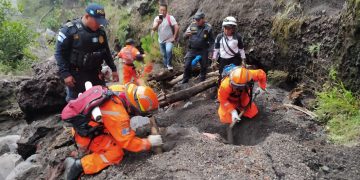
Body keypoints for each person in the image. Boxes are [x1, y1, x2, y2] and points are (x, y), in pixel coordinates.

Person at [64, 83, 162, 180]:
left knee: (121, 134)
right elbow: (128, 143)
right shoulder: (119, 116)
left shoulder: (119, 90)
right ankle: (78, 166)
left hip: (90, 124)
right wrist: (149, 142)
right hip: (87, 136)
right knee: (116, 153)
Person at [55, 3, 119, 102]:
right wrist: (65, 74)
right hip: (76, 76)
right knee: (77, 104)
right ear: (87, 16)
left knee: (103, 100)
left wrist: (113, 69)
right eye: (97, 21)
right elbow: (59, 53)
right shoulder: (69, 30)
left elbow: (105, 51)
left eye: (100, 22)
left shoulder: (100, 32)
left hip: (96, 74)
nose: (99, 24)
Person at [213, 16, 247, 86]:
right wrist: (214, 61)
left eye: (229, 28)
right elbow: (216, 50)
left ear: (233, 28)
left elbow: (241, 49)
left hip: (234, 60)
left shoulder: (238, 37)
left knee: (235, 77)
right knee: (222, 77)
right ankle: (221, 91)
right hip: (223, 61)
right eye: (225, 28)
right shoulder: (219, 37)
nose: (226, 30)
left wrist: (243, 60)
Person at [182, 12, 215, 83]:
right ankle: (185, 79)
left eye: (198, 20)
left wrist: (211, 51)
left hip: (203, 50)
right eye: (195, 20)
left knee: (204, 66)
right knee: (187, 64)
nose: (196, 21)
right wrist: (186, 35)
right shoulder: (193, 25)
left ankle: (202, 81)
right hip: (192, 49)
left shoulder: (208, 28)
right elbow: (184, 36)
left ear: (203, 19)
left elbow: (212, 41)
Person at [152, 3, 179, 70]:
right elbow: (154, 29)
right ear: (159, 10)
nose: (162, 12)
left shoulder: (170, 18)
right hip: (161, 40)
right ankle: (166, 68)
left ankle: (169, 65)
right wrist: (158, 23)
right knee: (164, 55)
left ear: (166, 11)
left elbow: (176, 27)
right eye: (161, 10)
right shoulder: (156, 19)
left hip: (169, 39)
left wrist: (174, 37)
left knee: (168, 50)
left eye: (164, 10)